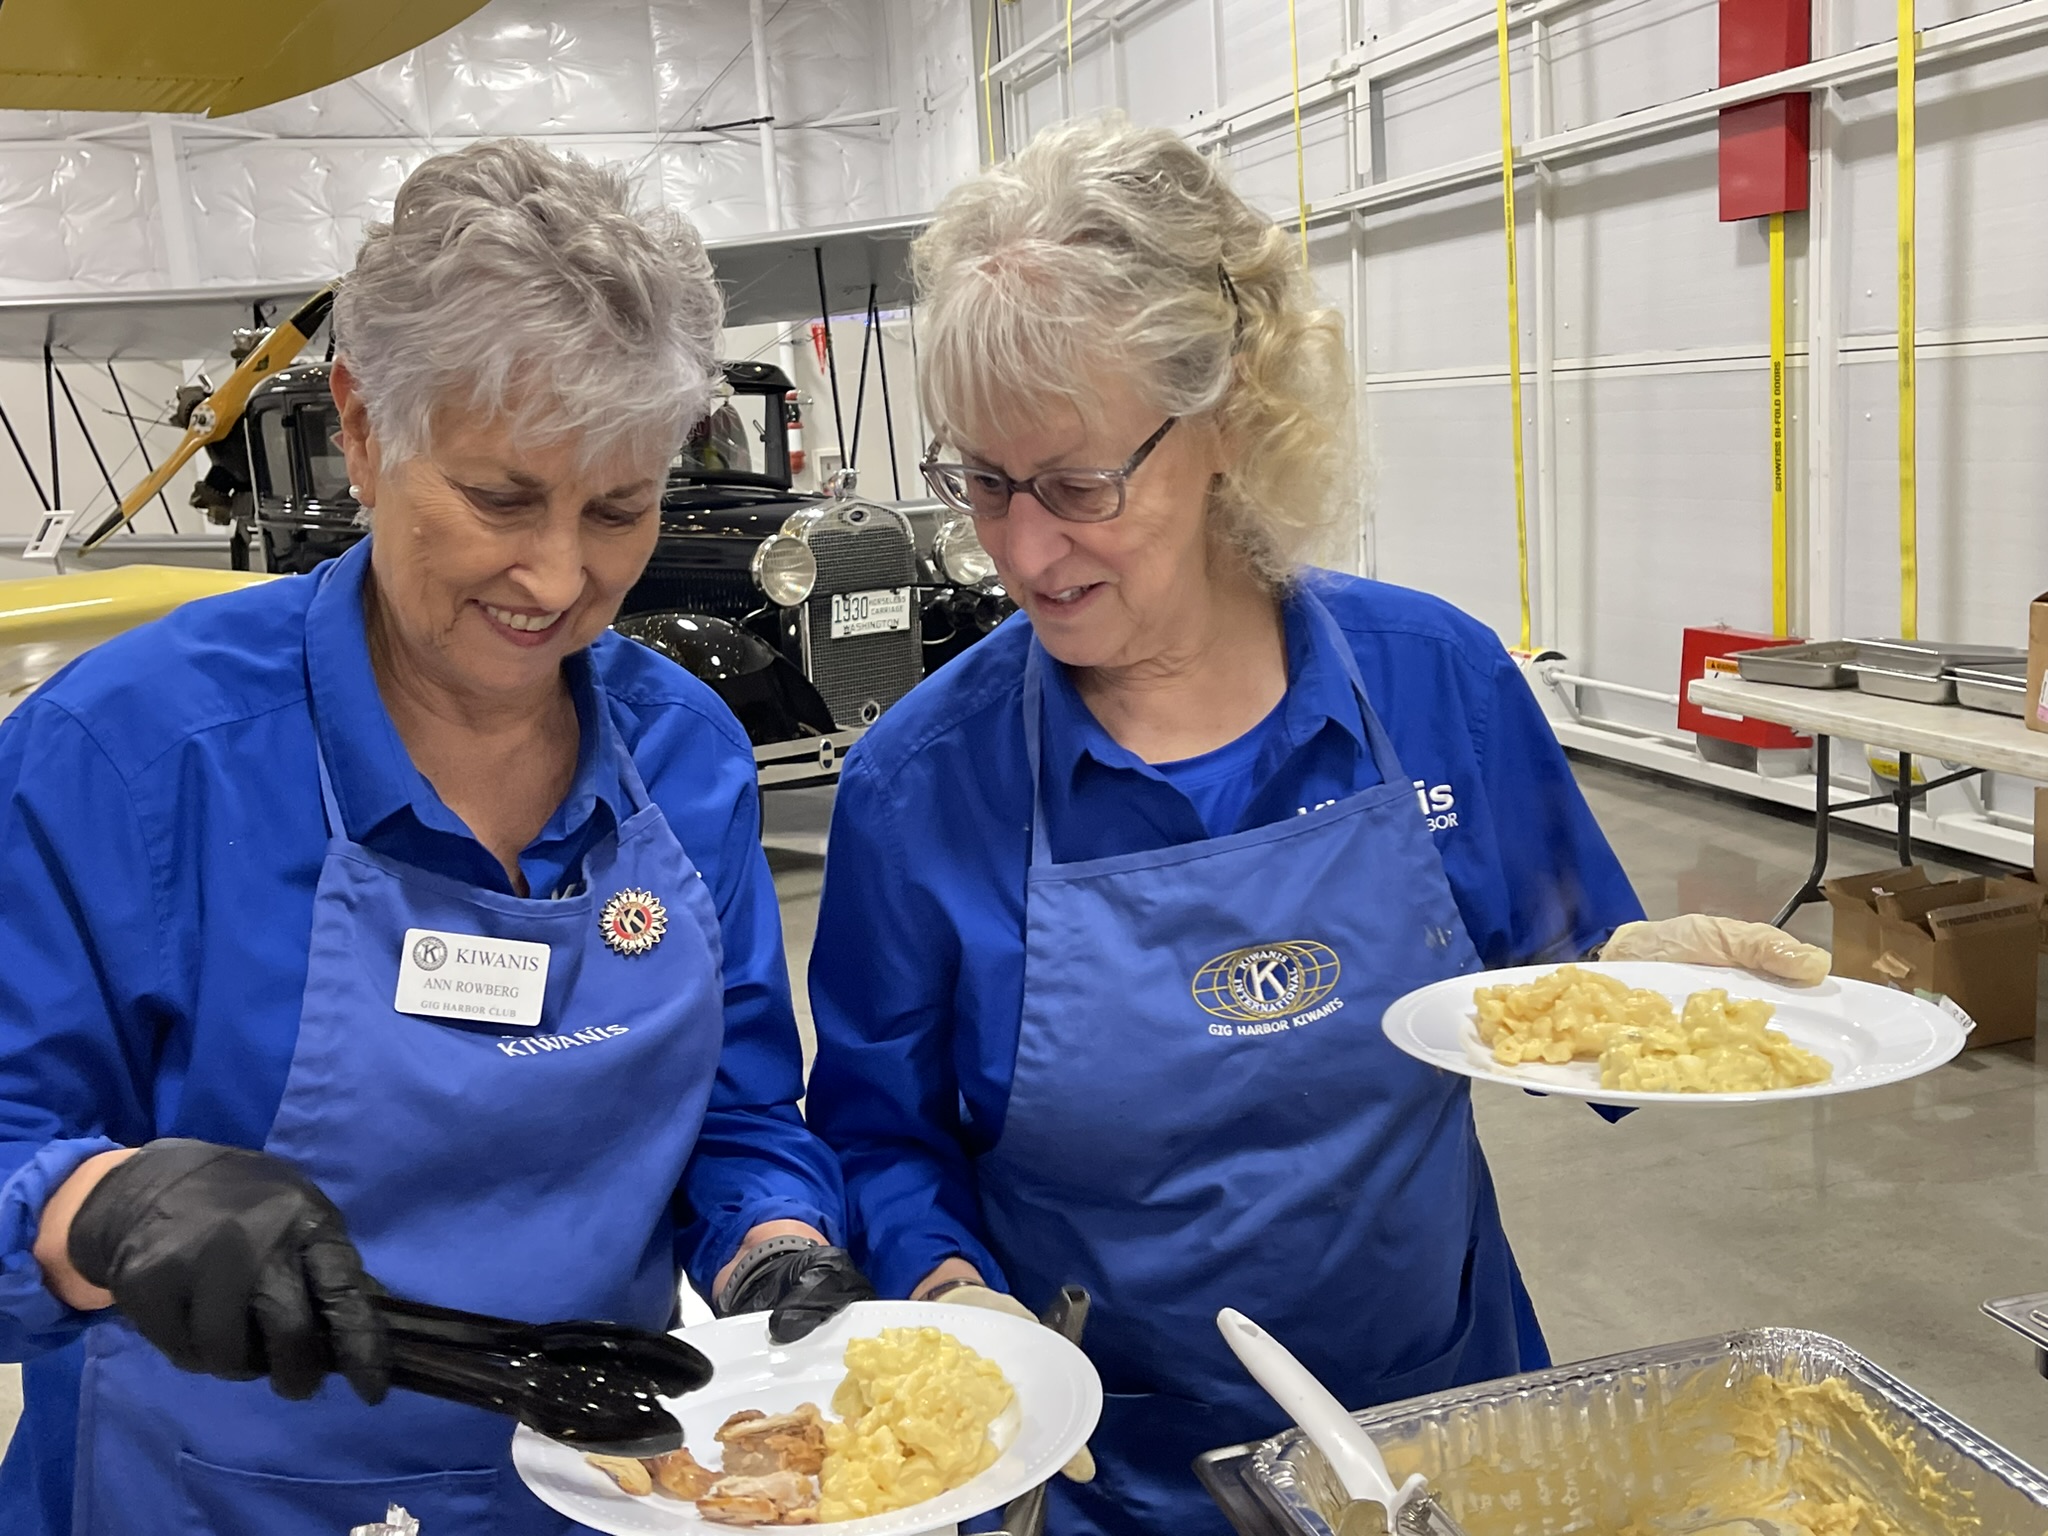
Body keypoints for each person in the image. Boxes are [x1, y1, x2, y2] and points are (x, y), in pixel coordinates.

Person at [803, 114, 1830, 1536]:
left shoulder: (1434, 685)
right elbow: (876, 1137)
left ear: (1226, 419)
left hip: (1445, 1436)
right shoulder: (922, 786)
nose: (1024, 549)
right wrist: (946, 1295)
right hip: (1108, 1473)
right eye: (982, 480)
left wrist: (1659, 991)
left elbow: (1565, 994)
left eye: (1080, 485)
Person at [0, 139, 869, 1536]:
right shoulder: (133, 759)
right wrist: (95, 1207)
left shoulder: (684, 759)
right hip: (215, 1500)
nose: (560, 577)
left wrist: (773, 1239)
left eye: (621, 508)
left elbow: (739, 1109)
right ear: (360, 425)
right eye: (503, 499)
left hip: (603, 1485)